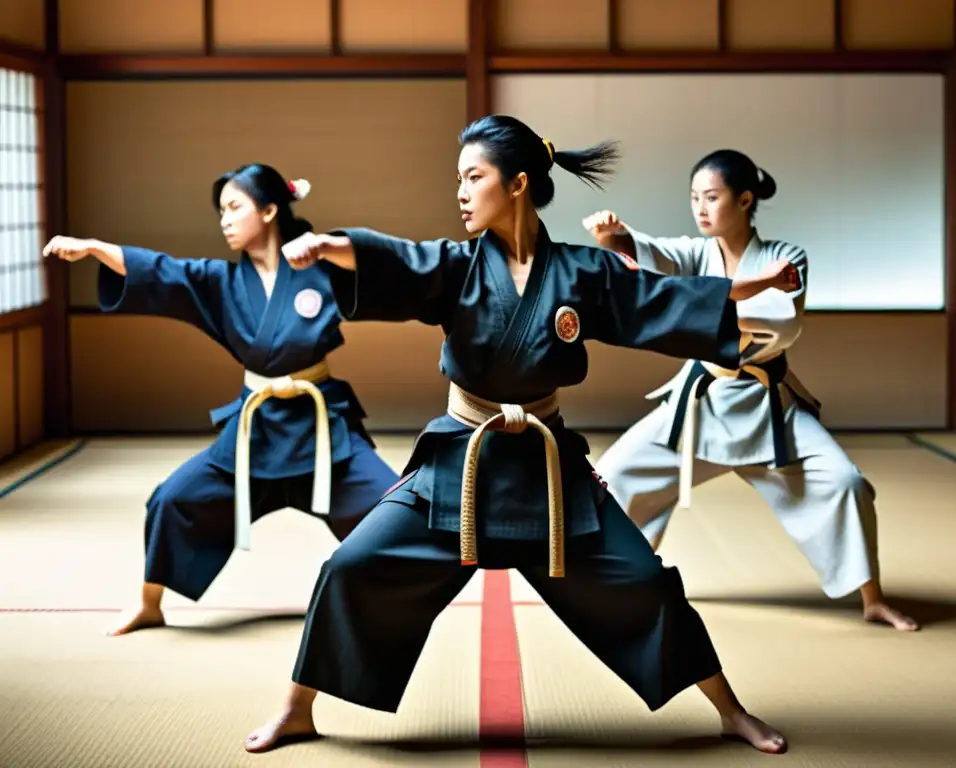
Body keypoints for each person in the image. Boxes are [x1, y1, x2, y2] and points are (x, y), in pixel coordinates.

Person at [243, 118, 799, 756]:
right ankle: (296, 707)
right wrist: (328, 247)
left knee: (645, 582)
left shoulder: (583, 273)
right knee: (351, 566)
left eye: (473, 177)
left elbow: (666, 298)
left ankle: (729, 711)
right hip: (459, 464)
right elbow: (399, 259)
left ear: (518, 184)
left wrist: (759, 282)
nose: (460, 191)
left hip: (548, 473)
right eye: (458, 178)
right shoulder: (457, 267)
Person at [42, 163, 400, 636]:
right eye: (221, 211)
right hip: (254, 430)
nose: (224, 220)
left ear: (270, 210)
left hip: (321, 428)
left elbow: (384, 270)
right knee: (172, 499)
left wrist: (328, 246)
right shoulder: (219, 282)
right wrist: (93, 248)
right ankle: (150, 603)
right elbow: (161, 271)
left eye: (234, 207)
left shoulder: (323, 268)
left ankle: (394, 601)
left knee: (394, 505)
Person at [582, 148, 918, 632]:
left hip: (768, 408)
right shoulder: (696, 254)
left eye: (711, 197)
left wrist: (692, 307)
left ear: (744, 200)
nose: (699, 207)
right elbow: (652, 257)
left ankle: (872, 597)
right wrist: (616, 237)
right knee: (613, 473)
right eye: (694, 197)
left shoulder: (785, 258)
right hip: (699, 406)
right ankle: (620, 582)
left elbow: (780, 324)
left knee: (844, 483)